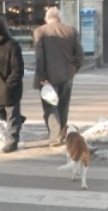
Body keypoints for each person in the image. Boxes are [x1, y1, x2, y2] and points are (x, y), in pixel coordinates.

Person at [32, 7, 84, 147]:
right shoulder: (71, 30)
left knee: (50, 107)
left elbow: (40, 56)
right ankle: (62, 133)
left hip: (48, 77)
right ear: (59, 18)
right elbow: (80, 54)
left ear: (46, 18)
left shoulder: (40, 31)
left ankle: (55, 137)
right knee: (63, 105)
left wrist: (42, 76)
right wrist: (74, 69)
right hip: (67, 75)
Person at [0, 18, 25, 153]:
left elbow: (18, 70)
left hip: (9, 89)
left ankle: (12, 141)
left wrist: (8, 85)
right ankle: (18, 121)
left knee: (12, 116)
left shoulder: (12, 46)